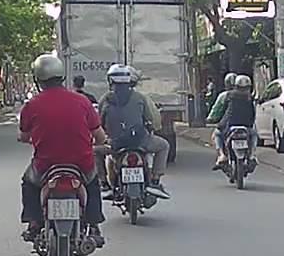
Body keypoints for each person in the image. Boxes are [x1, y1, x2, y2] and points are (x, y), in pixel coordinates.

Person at [18, 53, 108, 244]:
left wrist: (27, 138)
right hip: (81, 163)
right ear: (62, 76)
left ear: (38, 79)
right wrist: (98, 142)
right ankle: (94, 224)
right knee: (93, 183)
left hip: (45, 165)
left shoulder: (31, 105)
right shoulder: (82, 101)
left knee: (28, 183)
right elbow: (100, 136)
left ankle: (34, 223)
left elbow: (24, 136)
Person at [97, 64, 171, 198]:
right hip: (140, 142)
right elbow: (150, 119)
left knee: (93, 151)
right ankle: (155, 181)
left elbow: (98, 123)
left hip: (114, 145)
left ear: (110, 80)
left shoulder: (105, 99)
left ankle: (103, 184)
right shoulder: (140, 97)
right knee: (164, 145)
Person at [206, 74, 257, 169]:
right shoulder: (250, 97)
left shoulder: (227, 95)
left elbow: (218, 111)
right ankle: (252, 155)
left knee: (217, 134)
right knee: (254, 134)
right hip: (246, 126)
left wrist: (211, 119)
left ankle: (222, 155)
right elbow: (253, 114)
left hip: (229, 125)